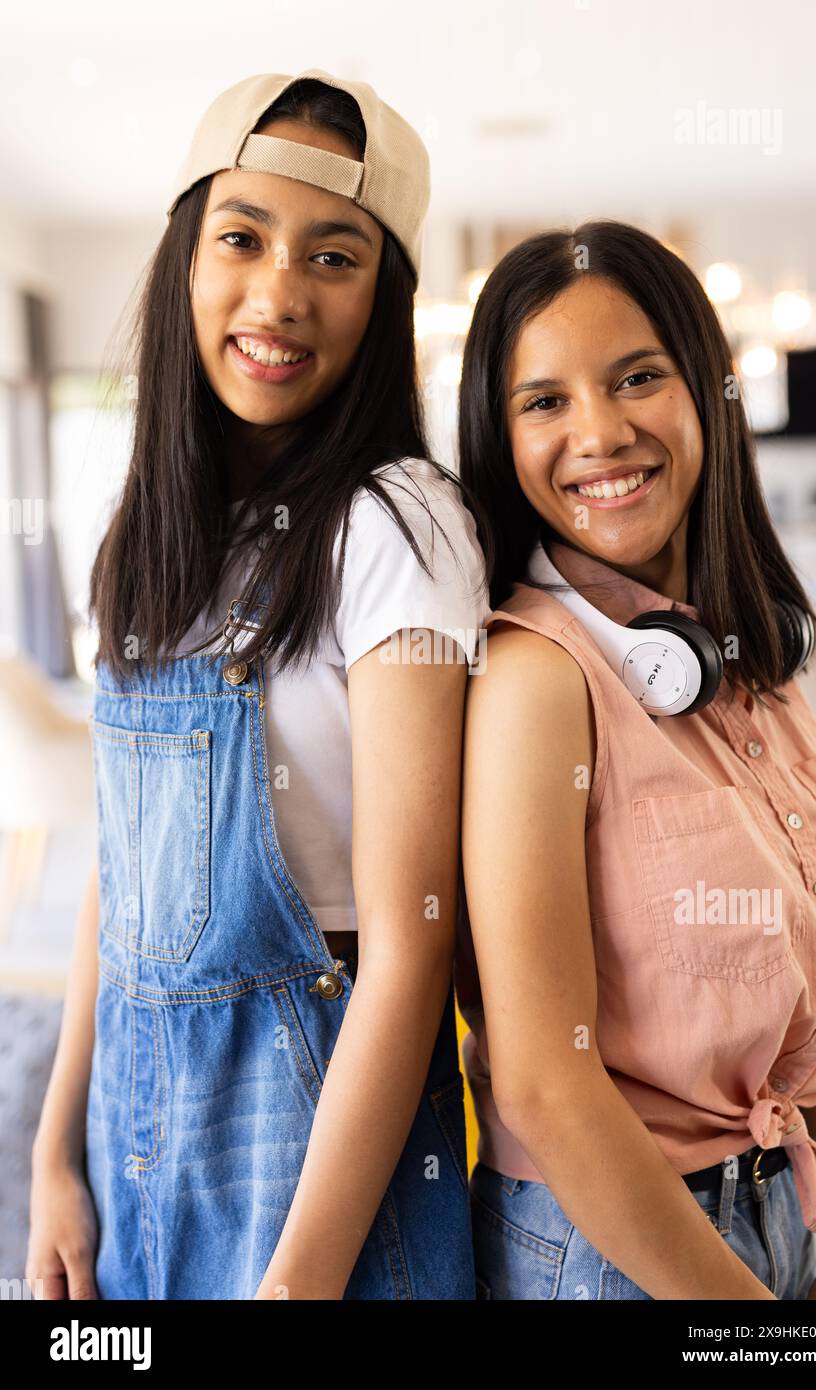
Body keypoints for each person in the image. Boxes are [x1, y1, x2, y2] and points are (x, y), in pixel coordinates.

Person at [27, 69, 488, 1301]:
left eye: (336, 256)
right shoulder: (149, 529)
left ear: (383, 299)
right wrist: (53, 1150)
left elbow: (411, 948)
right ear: (188, 255)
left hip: (315, 1162)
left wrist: (299, 1280)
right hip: (132, 1139)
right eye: (243, 237)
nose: (280, 293)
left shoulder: (398, 524)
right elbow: (117, 870)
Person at [455, 219, 816, 1300]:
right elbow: (545, 1083)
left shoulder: (753, 662)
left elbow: (809, 994)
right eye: (544, 400)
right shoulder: (535, 679)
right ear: (502, 439)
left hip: (787, 1210)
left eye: (637, 376)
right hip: (618, 1249)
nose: (599, 433)